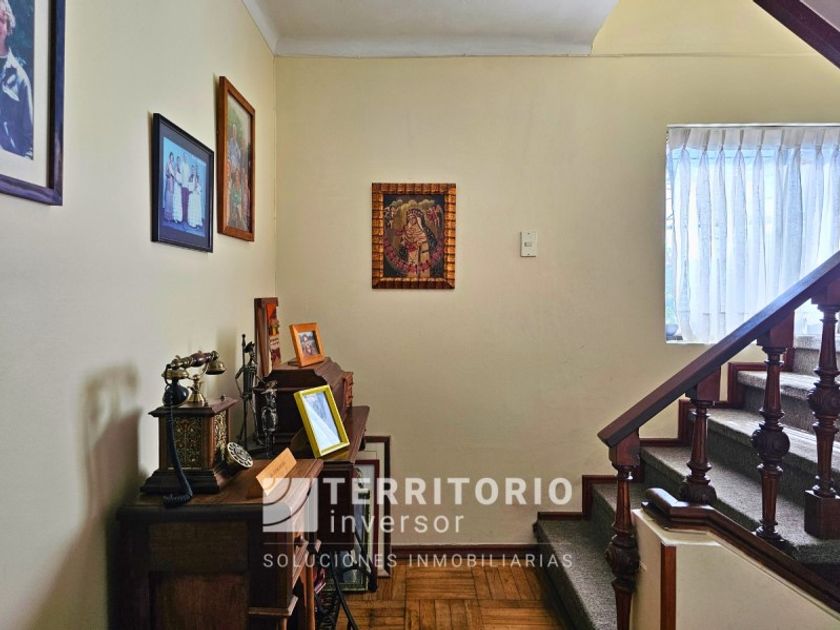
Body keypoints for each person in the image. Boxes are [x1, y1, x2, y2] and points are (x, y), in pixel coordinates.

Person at [0, 0, 33, 158]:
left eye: (1, 20)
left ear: (8, 27)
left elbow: (31, 142)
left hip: (8, 170)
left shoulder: (21, 79)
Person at [171, 155, 184, 223]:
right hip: (176, 186)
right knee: (176, 200)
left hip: (179, 187)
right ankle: (175, 218)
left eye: (179, 160)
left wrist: (181, 183)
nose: (178, 161)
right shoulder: (175, 167)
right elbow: (175, 177)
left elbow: (181, 179)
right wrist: (178, 182)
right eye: (178, 160)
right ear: (176, 160)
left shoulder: (180, 168)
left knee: (179, 201)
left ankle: (179, 218)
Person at [164, 153, 176, 221]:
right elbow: (166, 173)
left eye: (172, 158)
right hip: (169, 182)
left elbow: (175, 174)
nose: (171, 159)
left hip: (173, 184)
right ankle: (167, 217)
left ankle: (170, 217)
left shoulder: (173, 165)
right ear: (169, 157)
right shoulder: (167, 163)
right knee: (168, 200)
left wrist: (174, 175)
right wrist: (170, 174)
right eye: (171, 157)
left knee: (171, 201)